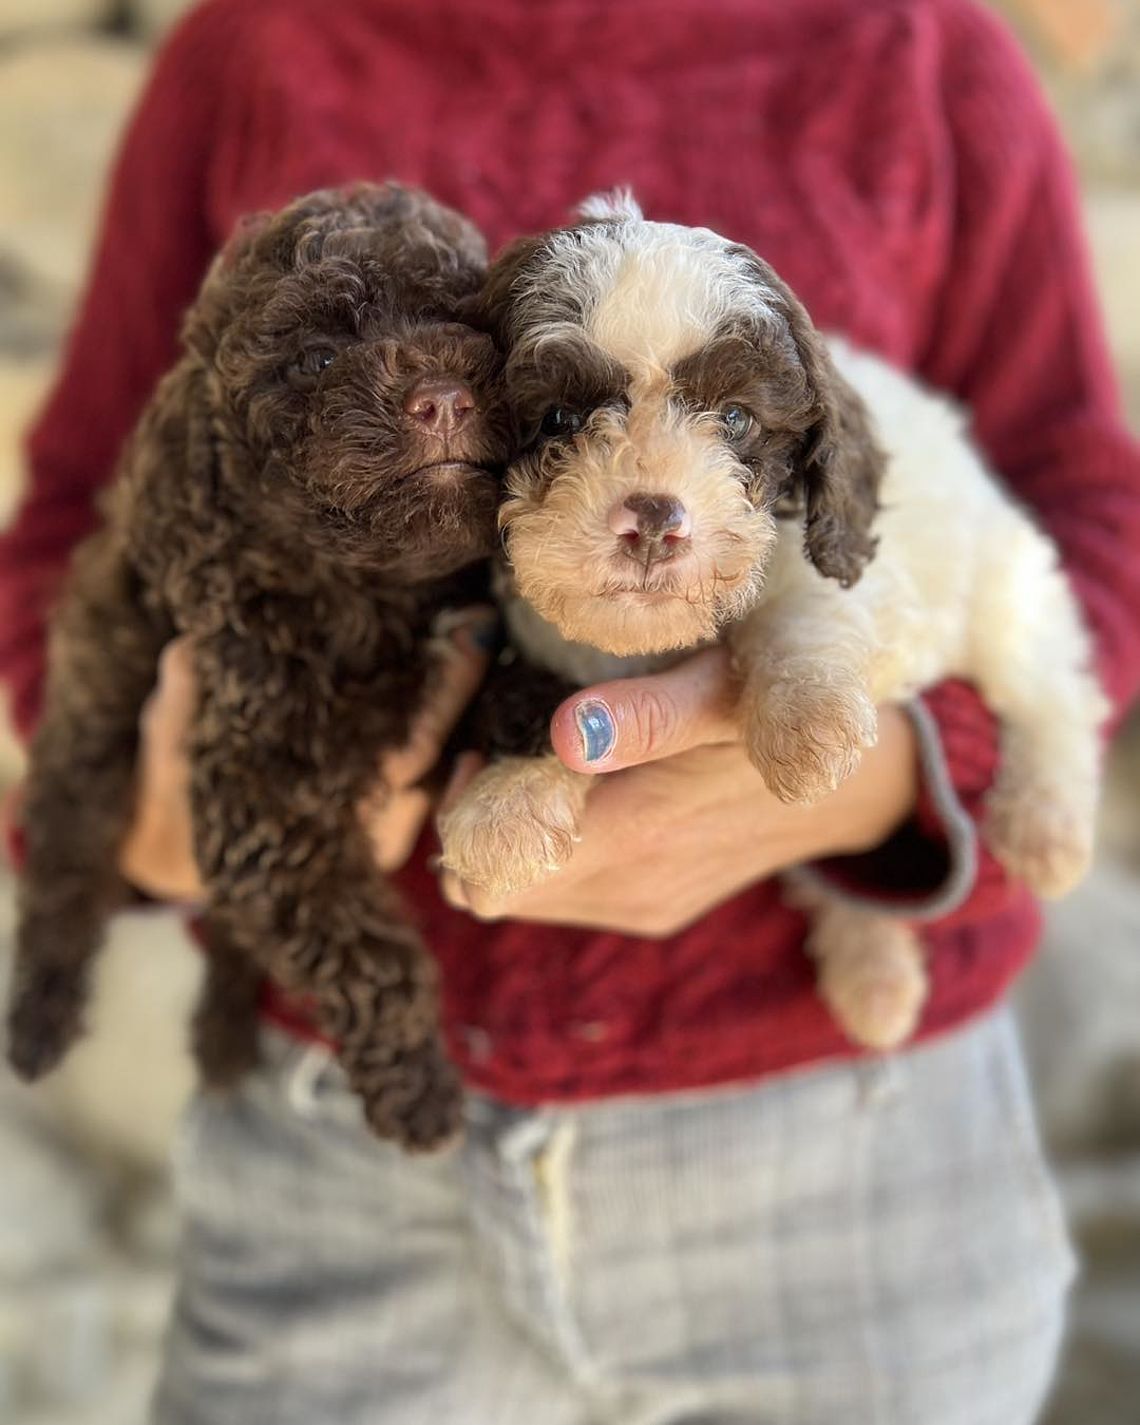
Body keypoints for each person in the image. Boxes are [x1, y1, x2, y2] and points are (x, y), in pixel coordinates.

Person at [2, 0, 1138, 1420]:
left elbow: (1085, 507)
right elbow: (73, 513)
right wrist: (151, 794)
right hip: (342, 1159)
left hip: (852, 1172)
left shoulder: (923, 57)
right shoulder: (254, 53)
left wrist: (894, 776)